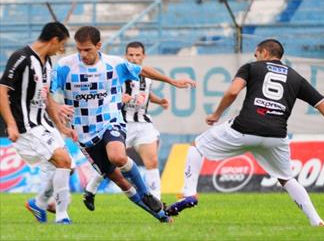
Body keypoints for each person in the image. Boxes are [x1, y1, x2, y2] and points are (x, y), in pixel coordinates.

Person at [165, 39, 324, 226]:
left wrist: (217, 114)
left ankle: (189, 194)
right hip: (276, 136)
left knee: (196, 147)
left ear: (265, 53)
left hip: (244, 128)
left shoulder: (251, 68)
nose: (255, 56)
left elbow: (233, 92)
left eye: (257, 53)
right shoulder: (296, 78)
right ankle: (316, 221)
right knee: (287, 179)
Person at [50, 26, 196, 222]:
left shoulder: (114, 64)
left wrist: (172, 81)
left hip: (110, 121)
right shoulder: (65, 66)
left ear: (99, 46)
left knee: (118, 157)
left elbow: (142, 70)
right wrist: (56, 105)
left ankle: (147, 194)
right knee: (120, 181)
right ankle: (161, 215)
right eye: (79, 50)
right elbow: (46, 91)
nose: (83, 54)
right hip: (83, 133)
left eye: (87, 50)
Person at [0, 22, 76, 224]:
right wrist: (11, 124)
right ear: (54, 40)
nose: (62, 50)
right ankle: (62, 217)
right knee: (63, 161)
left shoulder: (47, 63)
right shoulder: (21, 58)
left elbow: (47, 98)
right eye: (62, 45)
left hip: (44, 124)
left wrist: (60, 126)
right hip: (26, 126)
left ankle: (39, 203)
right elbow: (1, 91)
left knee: (67, 166)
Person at [84, 41, 169, 205]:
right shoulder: (117, 75)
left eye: (138, 55)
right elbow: (102, 96)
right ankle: (91, 188)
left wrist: (159, 101)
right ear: (126, 56)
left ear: (144, 56)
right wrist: (119, 100)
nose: (134, 58)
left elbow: (145, 94)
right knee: (110, 160)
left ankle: (157, 199)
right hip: (120, 123)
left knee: (152, 161)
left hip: (143, 124)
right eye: (131, 55)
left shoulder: (148, 77)